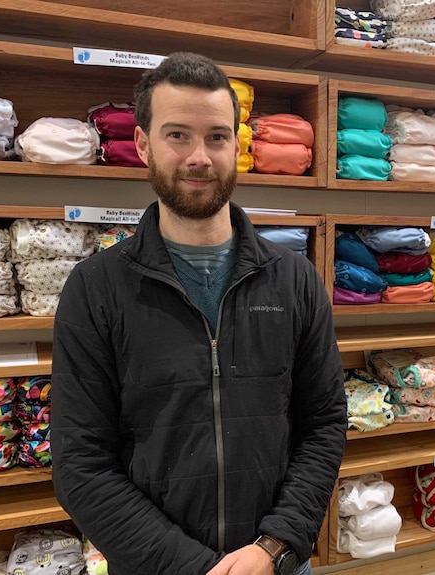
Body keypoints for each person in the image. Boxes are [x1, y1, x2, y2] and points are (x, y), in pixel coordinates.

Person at [51, 52, 347, 575]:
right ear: (143, 145)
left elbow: (322, 424)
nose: (199, 157)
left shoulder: (295, 278)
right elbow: (81, 463)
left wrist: (274, 546)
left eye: (216, 136)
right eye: (177, 135)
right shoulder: (95, 288)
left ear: (237, 145)